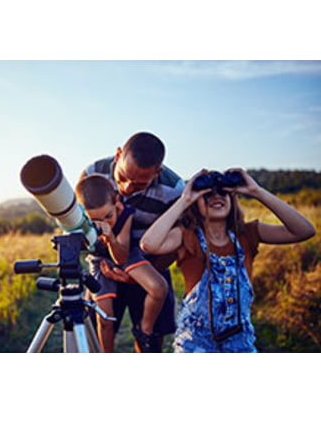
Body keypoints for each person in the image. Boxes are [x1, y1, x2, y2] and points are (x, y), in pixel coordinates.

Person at [140, 168, 316, 352]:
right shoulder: (187, 236)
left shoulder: (248, 234)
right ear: (195, 204)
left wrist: (257, 191)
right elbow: (149, 244)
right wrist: (185, 199)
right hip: (195, 339)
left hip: (240, 338)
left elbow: (304, 231)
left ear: (233, 199)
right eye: (207, 195)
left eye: (224, 193)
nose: (217, 197)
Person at [81, 132, 185, 352]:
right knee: (98, 331)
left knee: (150, 343)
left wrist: (137, 277)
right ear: (118, 155)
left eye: (139, 185)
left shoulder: (175, 191)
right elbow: (81, 222)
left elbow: (179, 241)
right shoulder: (93, 173)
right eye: (122, 177)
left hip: (147, 264)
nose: (126, 188)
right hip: (103, 264)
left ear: (158, 172)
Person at [76, 174, 168, 352]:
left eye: (108, 216)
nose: (103, 223)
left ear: (117, 202)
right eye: (96, 221)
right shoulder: (81, 222)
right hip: (100, 261)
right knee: (104, 319)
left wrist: (110, 238)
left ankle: (144, 330)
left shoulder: (125, 214)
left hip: (124, 252)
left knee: (159, 288)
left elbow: (121, 258)